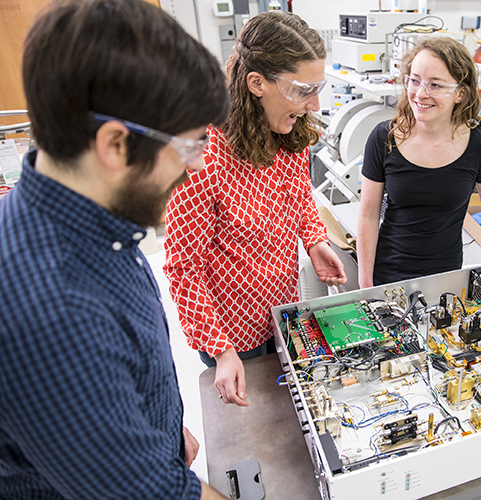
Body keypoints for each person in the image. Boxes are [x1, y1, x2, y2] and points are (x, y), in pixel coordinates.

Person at [0, 0, 230, 498]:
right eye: (189, 146)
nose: (195, 169)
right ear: (115, 144)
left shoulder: (92, 215)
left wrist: (157, 429)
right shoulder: (55, 310)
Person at [164, 11, 347, 407]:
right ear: (256, 83)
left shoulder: (289, 131)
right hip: (230, 337)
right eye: (303, 89)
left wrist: (314, 240)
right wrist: (220, 349)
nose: (314, 103)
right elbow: (183, 270)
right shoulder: (201, 158)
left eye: (319, 88)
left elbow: (297, 194)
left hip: (282, 314)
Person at [357, 36, 481, 288]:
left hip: (446, 277)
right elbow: (369, 215)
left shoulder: (479, 144)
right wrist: (366, 284)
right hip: (388, 274)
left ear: (460, 93)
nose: (420, 94)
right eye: (414, 80)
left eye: (435, 85)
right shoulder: (385, 138)